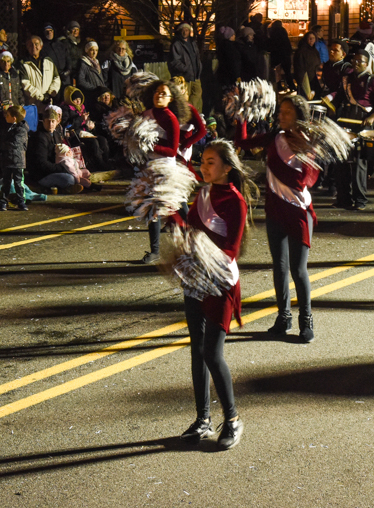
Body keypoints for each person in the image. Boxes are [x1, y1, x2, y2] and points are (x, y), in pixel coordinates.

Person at [178, 139, 252, 450]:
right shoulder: (204, 193)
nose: (203, 166)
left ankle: (233, 419)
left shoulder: (235, 201)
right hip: (195, 278)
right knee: (197, 349)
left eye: (210, 162)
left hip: (220, 282)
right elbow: (190, 228)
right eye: (203, 161)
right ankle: (203, 419)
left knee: (212, 352)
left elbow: (230, 250)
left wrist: (197, 251)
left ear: (227, 168)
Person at [235, 95, 319, 342]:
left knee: (298, 269)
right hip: (274, 212)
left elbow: (305, 178)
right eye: (280, 112)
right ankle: (284, 318)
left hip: (299, 213)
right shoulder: (274, 138)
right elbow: (243, 142)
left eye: (287, 112)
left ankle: (306, 320)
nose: (281, 116)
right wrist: (242, 116)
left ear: (298, 116)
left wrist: (301, 148)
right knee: (279, 268)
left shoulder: (307, 144)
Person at [139, 80, 192, 264]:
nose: (159, 95)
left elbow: (171, 150)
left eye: (164, 93)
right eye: (157, 92)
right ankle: (154, 251)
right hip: (150, 167)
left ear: (170, 99)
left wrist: (151, 144)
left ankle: (194, 244)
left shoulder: (171, 119)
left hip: (166, 168)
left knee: (179, 207)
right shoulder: (146, 115)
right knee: (152, 208)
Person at [335, 49, 374, 211]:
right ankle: (343, 198)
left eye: (360, 61)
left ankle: (360, 200)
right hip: (345, 121)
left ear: (367, 64)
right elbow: (339, 97)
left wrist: (373, 117)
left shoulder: (372, 80)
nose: (356, 64)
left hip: (362, 123)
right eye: (354, 61)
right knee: (341, 160)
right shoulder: (347, 79)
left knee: (359, 163)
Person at [0, 50, 24, 179]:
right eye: (3, 61)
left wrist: (21, 105)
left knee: (13, 140)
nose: (6, 64)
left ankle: (13, 168)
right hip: (0, 115)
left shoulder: (14, 75)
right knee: (0, 141)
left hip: (14, 114)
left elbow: (19, 92)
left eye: (8, 61)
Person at [28, 105, 85, 195]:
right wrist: (62, 168)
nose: (50, 124)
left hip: (53, 169)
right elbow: (41, 163)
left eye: (53, 121)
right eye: (48, 121)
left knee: (79, 172)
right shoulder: (40, 137)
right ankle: (57, 188)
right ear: (43, 122)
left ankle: (80, 185)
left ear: (57, 122)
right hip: (41, 175)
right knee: (69, 179)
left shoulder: (56, 134)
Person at [20, 35, 61, 119]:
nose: (34, 47)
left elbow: (56, 79)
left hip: (48, 103)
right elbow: (25, 84)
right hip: (33, 105)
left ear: (41, 46)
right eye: (30, 45)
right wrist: (41, 97)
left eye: (36, 44)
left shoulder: (49, 61)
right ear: (27, 47)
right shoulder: (24, 64)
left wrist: (50, 93)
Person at [0, 105, 29, 211]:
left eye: (8, 115)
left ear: (14, 118)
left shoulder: (21, 130)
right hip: (7, 159)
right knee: (6, 182)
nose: (6, 117)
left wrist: (4, 143)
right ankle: (3, 201)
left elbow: (15, 143)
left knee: (18, 182)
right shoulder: (7, 127)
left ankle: (21, 201)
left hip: (17, 160)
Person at [169, 23, 204, 110]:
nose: (185, 32)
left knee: (197, 93)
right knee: (184, 97)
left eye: (187, 30)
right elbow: (174, 61)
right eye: (183, 30)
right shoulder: (176, 44)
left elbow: (197, 57)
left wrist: (199, 67)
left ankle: (189, 111)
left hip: (195, 75)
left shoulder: (192, 42)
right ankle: (186, 112)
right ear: (180, 31)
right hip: (184, 76)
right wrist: (185, 68)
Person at [294, 31, 323, 101]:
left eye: (313, 38)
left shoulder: (314, 50)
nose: (312, 40)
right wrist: (301, 81)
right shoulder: (301, 51)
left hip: (315, 79)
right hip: (305, 81)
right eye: (310, 38)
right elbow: (299, 67)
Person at [266, 21, 294, 86]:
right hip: (285, 54)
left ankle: (278, 85)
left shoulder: (271, 31)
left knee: (276, 71)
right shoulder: (283, 31)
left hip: (276, 54)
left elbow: (271, 43)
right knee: (287, 71)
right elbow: (287, 43)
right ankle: (291, 85)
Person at [58, 21, 83, 87]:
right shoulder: (65, 42)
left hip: (76, 73)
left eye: (77, 29)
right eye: (73, 29)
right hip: (69, 74)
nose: (75, 31)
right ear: (69, 30)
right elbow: (67, 58)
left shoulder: (78, 43)